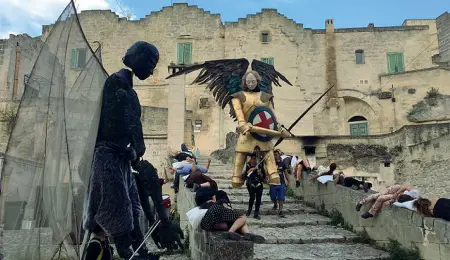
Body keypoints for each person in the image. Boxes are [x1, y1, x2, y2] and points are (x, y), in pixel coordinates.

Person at [82, 41, 178, 260]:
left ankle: (131, 249)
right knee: (119, 207)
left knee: (131, 205)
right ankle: (129, 253)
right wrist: (138, 145)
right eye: (151, 63)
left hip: (120, 157)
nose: (153, 70)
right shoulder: (118, 83)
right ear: (139, 57)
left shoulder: (124, 84)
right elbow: (129, 119)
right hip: (109, 155)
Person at [166, 59, 293, 189]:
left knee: (268, 153)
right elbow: (239, 113)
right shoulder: (239, 96)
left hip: (263, 133)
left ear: (258, 81)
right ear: (244, 82)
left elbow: (271, 116)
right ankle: (237, 177)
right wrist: (243, 124)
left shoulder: (265, 96)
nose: (250, 83)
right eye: (248, 81)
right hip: (247, 133)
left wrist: (280, 129)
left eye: (253, 81)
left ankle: (272, 175)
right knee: (241, 154)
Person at [200, 190, 265, 243]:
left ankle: (247, 235)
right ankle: (235, 232)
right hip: (217, 221)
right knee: (242, 218)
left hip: (209, 225)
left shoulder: (207, 205)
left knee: (237, 222)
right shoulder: (219, 206)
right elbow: (238, 216)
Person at [243, 153, 266, 220]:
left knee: (258, 199)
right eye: (252, 159)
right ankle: (249, 210)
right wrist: (252, 169)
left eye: (255, 159)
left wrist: (260, 173)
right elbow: (247, 174)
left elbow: (263, 176)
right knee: (252, 197)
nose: (254, 160)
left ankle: (256, 213)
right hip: (251, 183)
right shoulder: (248, 165)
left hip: (259, 183)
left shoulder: (260, 165)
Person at [270, 150, 290, 218]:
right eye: (274, 155)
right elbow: (267, 173)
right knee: (272, 197)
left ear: (278, 155)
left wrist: (288, 181)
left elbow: (286, 173)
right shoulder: (271, 164)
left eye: (276, 154)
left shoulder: (282, 163)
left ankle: (280, 211)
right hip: (273, 183)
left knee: (281, 198)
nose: (275, 156)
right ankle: (275, 204)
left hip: (281, 183)